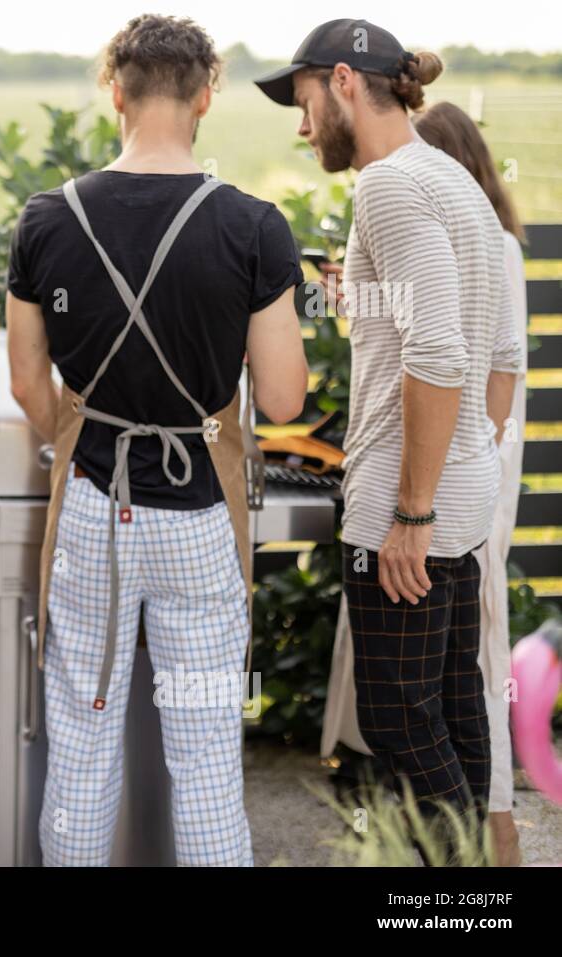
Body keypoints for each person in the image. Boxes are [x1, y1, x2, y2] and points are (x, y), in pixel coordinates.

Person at [7, 14, 308, 866]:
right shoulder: (253, 226)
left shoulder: (46, 220)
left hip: (94, 511)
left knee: (81, 750)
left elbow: (32, 385)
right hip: (202, 521)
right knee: (207, 757)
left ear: (115, 91)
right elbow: (283, 398)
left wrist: (93, 433)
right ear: (206, 93)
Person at [256, 20, 526, 862]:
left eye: (302, 104)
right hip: (463, 493)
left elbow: (441, 352)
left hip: (405, 509)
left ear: (342, 82)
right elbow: (480, 342)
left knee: (399, 719)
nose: (302, 129)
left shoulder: (389, 187)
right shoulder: (451, 181)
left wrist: (412, 509)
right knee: (452, 707)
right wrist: (360, 302)